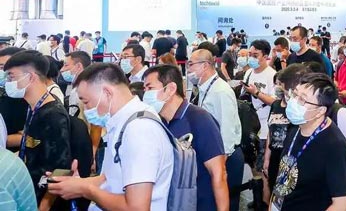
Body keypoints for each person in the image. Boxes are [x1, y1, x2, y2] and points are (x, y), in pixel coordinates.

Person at [48, 62, 174, 211]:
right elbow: (110, 178)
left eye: (86, 102)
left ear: (107, 93)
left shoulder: (139, 130)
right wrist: (78, 183)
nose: (87, 110)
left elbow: (137, 208)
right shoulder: (125, 122)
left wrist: (86, 190)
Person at [142, 64, 229, 211]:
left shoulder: (200, 119)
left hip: (198, 204)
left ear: (170, 89)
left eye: (150, 88)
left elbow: (219, 173)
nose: (145, 94)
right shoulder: (158, 121)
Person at [269, 73, 346, 211]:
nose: (294, 102)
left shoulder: (335, 146)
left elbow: (342, 205)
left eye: (302, 99)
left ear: (320, 111)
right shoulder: (296, 127)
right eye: (295, 94)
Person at [3, 50, 71, 209]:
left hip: (43, 199)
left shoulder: (53, 115)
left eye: (12, 77)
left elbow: (61, 168)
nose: (8, 82)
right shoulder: (33, 107)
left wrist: (45, 205)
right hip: (30, 190)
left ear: (31, 77)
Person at [187, 49, 244, 211]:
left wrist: (220, 167)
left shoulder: (221, 91)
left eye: (191, 64)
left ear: (205, 65)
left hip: (225, 157)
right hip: (214, 156)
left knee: (225, 203)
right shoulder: (205, 88)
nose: (188, 69)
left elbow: (227, 130)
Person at [262, 65, 309, 198]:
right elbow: (270, 132)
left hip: (290, 159)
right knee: (274, 194)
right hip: (275, 157)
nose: (278, 88)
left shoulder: (296, 111)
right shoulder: (276, 105)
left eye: (281, 85)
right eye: (277, 84)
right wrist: (267, 158)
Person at [242, 40, 277, 172]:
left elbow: (274, 102)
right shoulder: (249, 73)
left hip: (264, 128)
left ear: (265, 56)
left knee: (262, 168)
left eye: (255, 55)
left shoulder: (272, 75)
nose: (251, 58)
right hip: (249, 125)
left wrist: (256, 93)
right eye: (250, 54)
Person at [0, 47, 29, 151]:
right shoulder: (5, 93)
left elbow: (33, 139)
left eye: (4, 67)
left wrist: (4, 139)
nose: (2, 72)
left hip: (16, 155)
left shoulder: (27, 99)